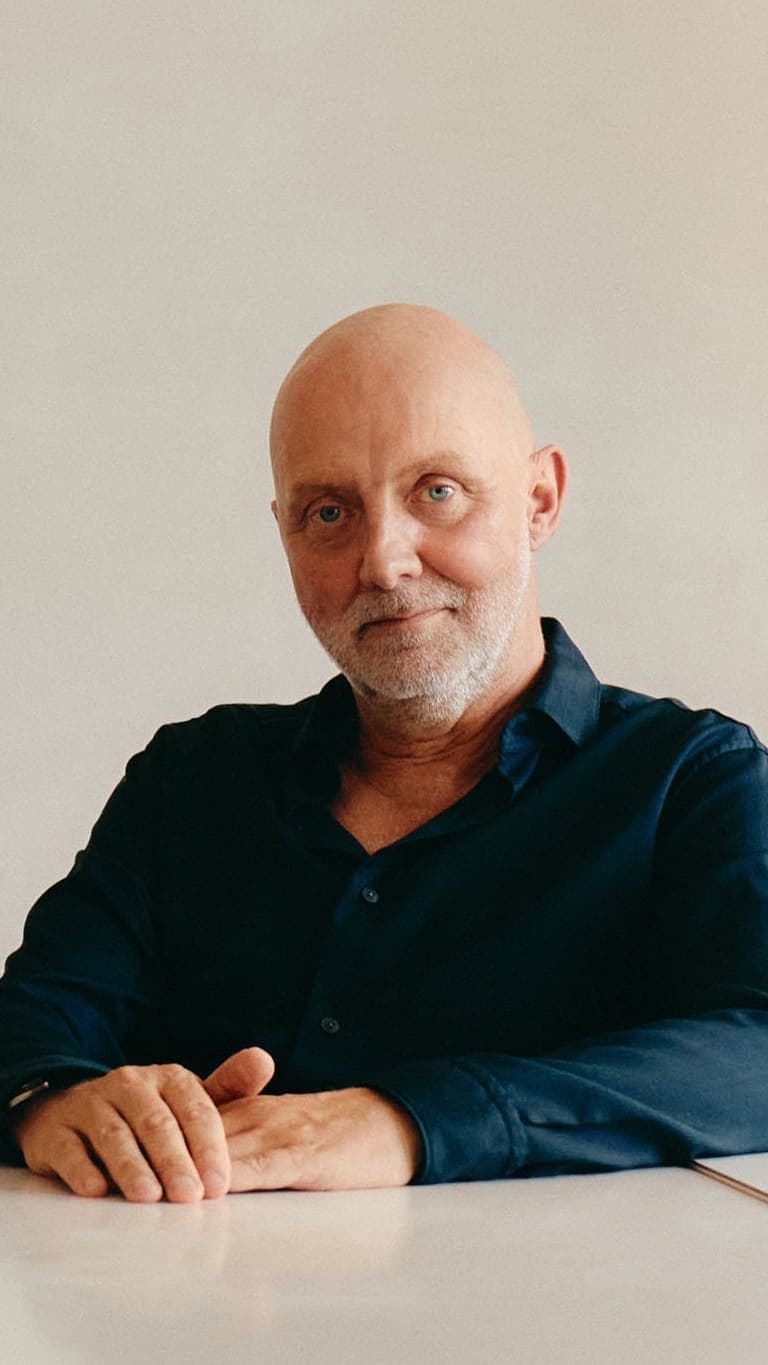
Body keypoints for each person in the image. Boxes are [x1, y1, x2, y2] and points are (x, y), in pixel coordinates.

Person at [2, 304, 767, 1204]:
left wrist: (405, 1120)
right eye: (329, 512)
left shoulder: (693, 782)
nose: (384, 560)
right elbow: (32, 1021)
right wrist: (51, 1099)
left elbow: (755, 1049)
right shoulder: (192, 781)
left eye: (437, 491)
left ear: (540, 501)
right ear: (285, 534)